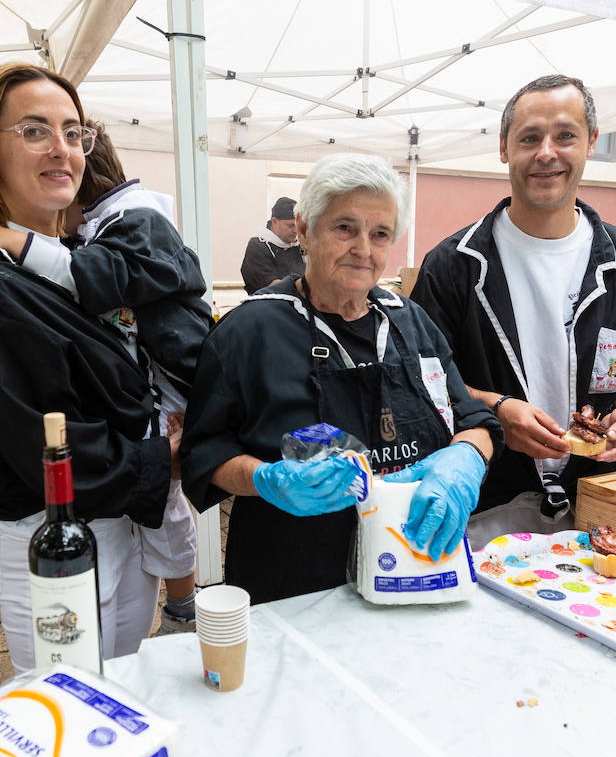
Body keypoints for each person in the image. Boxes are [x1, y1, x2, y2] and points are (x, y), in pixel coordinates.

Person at [0, 62, 206, 672]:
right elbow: (40, 441)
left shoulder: (75, 262)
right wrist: (163, 454)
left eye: (73, 132)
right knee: (71, 705)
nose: (62, 150)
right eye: (34, 131)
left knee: (124, 688)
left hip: (120, 522)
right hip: (57, 537)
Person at [181, 153, 501, 603]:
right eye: (345, 228)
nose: (363, 249)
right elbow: (204, 454)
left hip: (415, 571)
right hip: (294, 584)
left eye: (380, 234)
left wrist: (464, 461)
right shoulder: (248, 331)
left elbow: (473, 418)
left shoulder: (411, 322)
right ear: (306, 231)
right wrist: (267, 479)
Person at [412, 74, 616, 537]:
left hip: (603, 502)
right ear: (504, 148)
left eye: (565, 135)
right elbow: (424, 380)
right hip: (489, 503)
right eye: (530, 138)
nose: (546, 153)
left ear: (591, 142)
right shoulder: (453, 265)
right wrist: (497, 410)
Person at [240, 196, 305, 291]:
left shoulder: (301, 244)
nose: (296, 230)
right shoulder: (258, 247)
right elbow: (273, 286)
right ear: (274, 221)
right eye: (291, 225)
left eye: (298, 225)